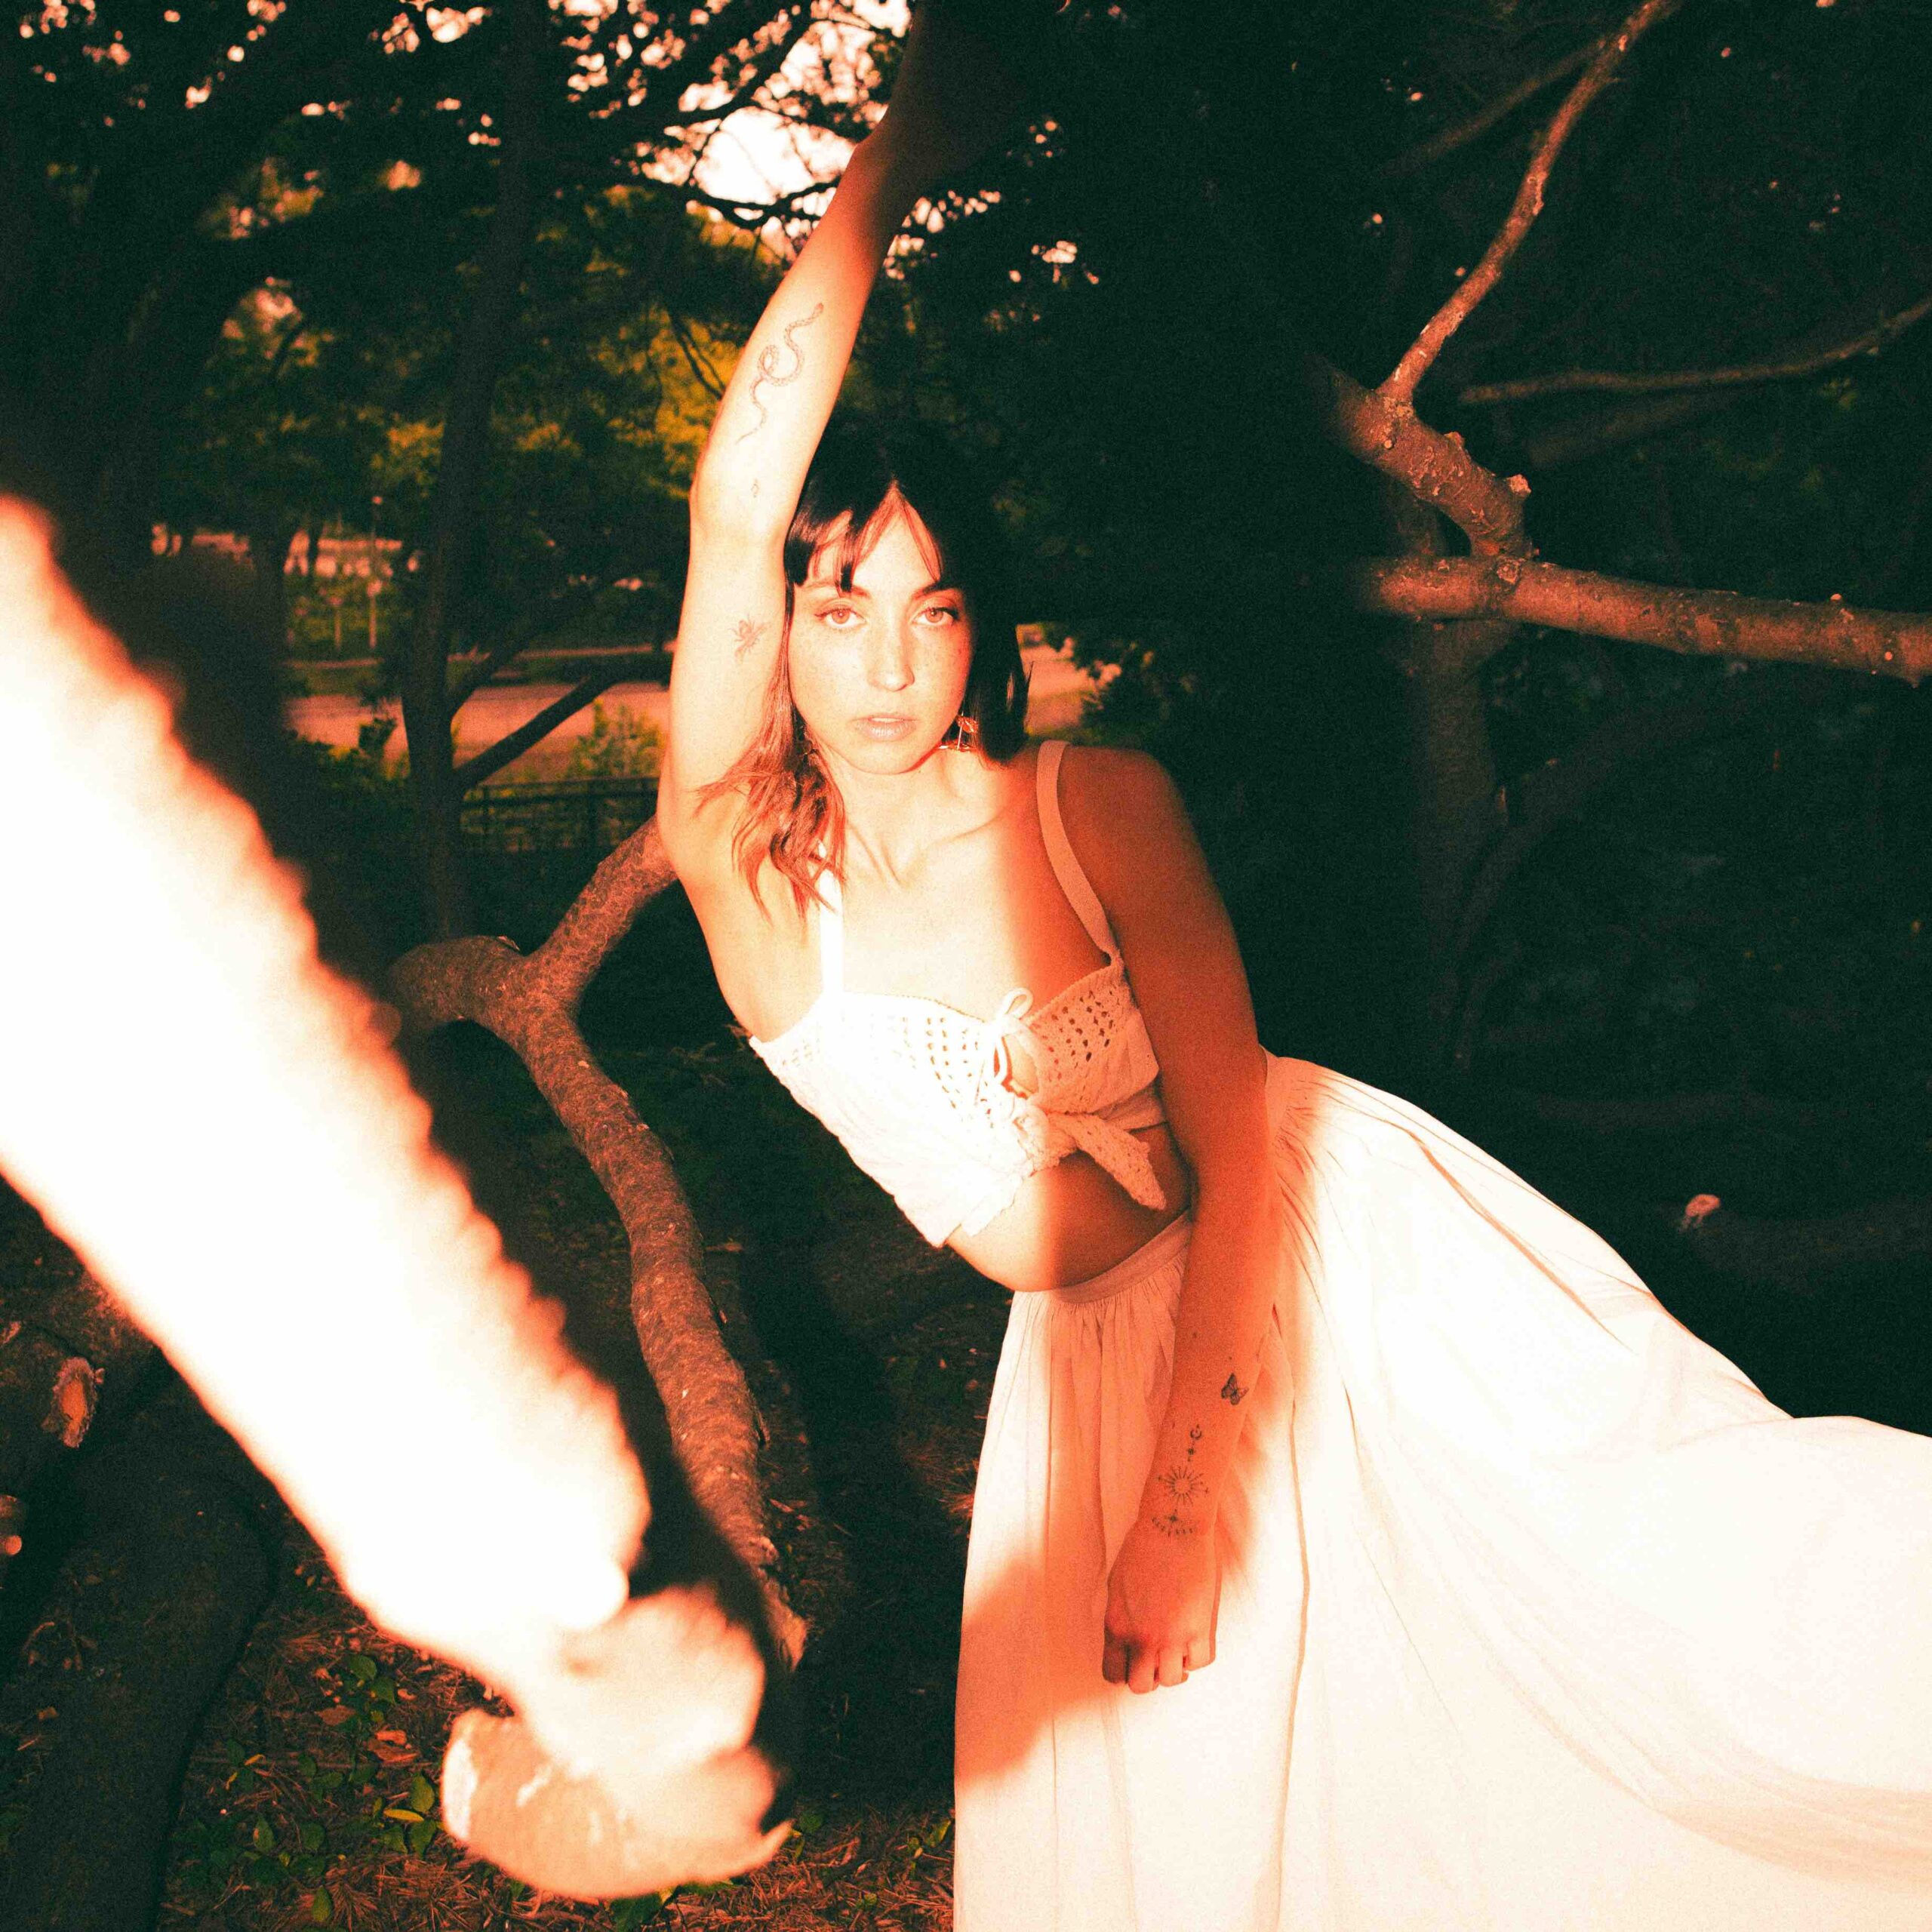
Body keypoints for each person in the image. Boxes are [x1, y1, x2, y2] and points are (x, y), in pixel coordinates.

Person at [658, 8, 1932, 1927]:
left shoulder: (1097, 800)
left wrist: (1188, 1506)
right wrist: (893, 157)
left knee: (1696, 1630)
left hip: (1328, 1268)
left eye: (936, 605)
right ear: (780, 627)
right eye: (841, 609)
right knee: (1225, 1834)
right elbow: (737, 496)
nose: (893, 660)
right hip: (1091, 1362)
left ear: (980, 625)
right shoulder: (744, 868)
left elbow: (1240, 1143)